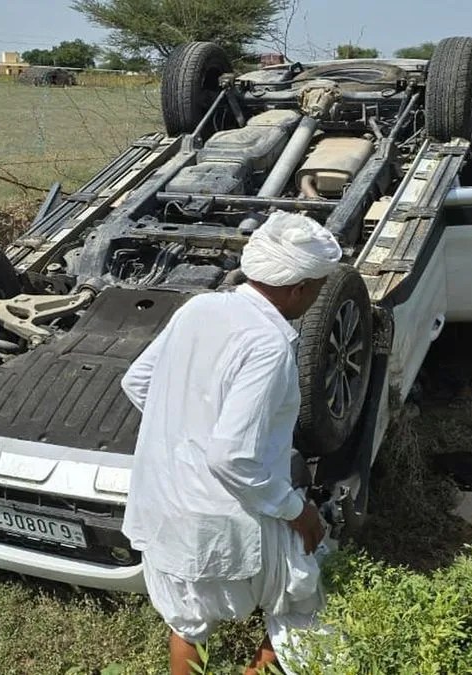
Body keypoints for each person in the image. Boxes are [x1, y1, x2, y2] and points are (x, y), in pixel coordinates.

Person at [119, 212, 341, 675]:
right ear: (299, 287)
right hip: (227, 511)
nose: (317, 296)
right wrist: (297, 510)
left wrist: (186, 437)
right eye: (319, 287)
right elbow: (233, 457)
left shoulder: (200, 308)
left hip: (167, 500)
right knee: (300, 599)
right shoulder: (268, 343)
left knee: (189, 623)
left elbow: (139, 381)